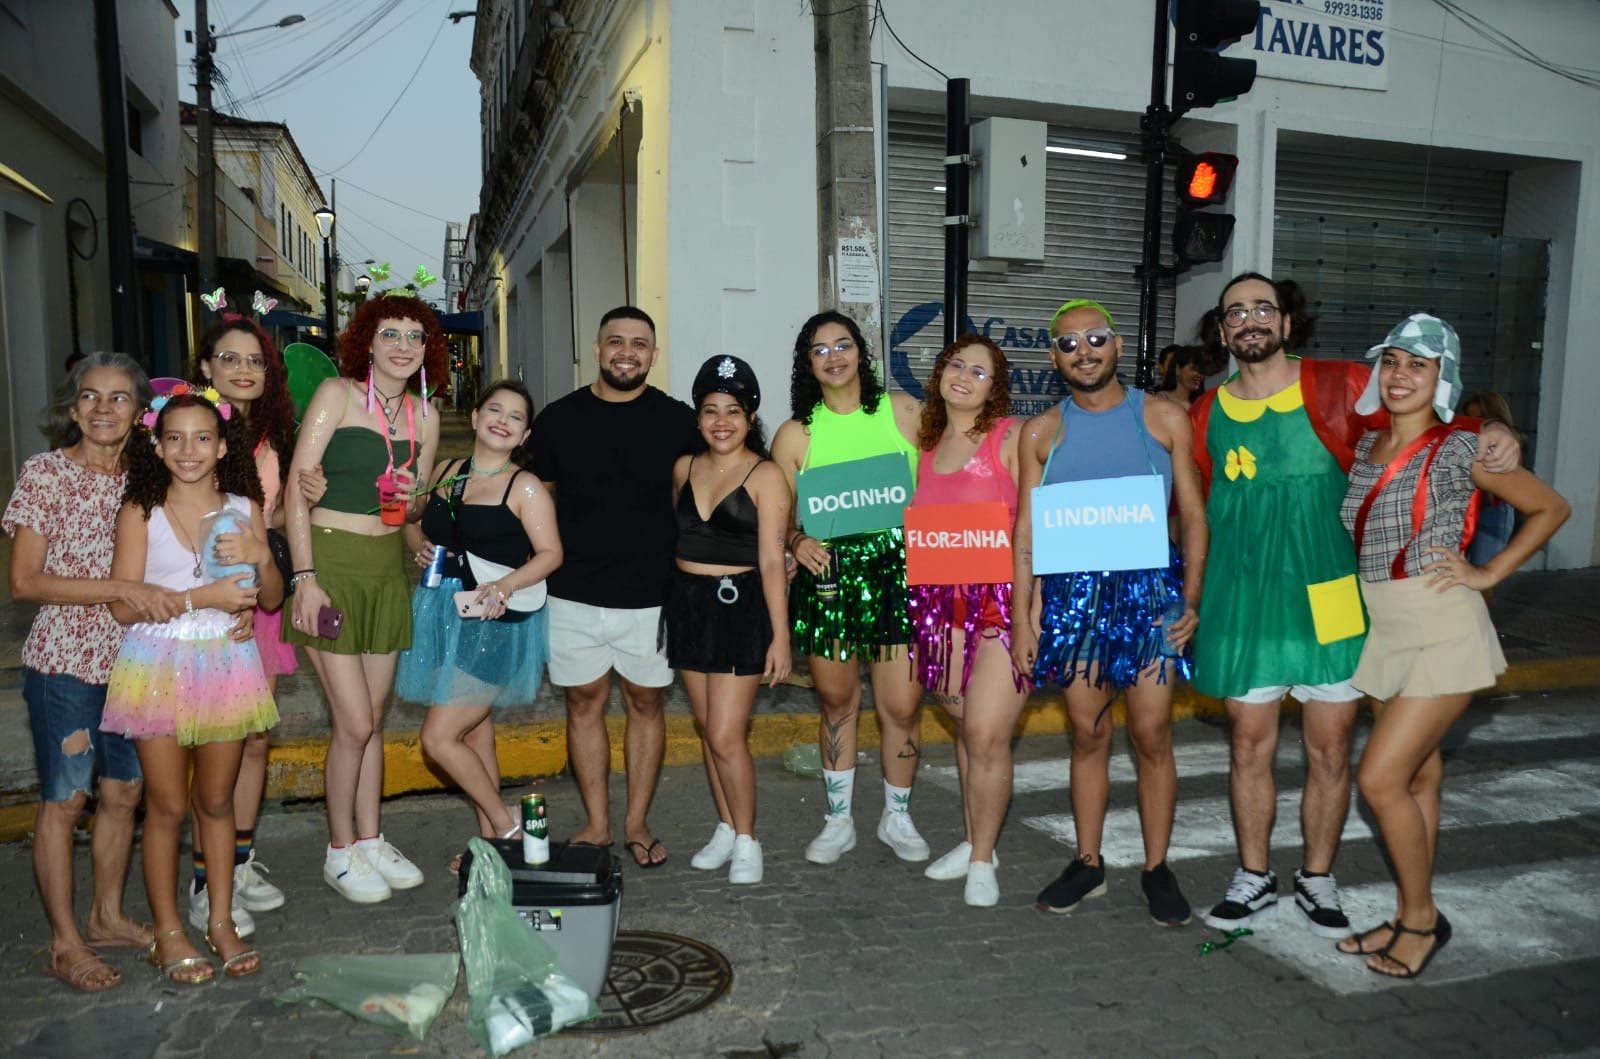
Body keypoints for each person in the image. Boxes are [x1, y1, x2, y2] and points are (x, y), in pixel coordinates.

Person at [1187, 272, 1521, 936]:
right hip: (1242, 596)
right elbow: (1193, 508)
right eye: (1235, 312)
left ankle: (1317, 875)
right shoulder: (1205, 412)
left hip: (1332, 594)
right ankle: (1254, 875)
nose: (1250, 319)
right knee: (1248, 745)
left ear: (1286, 323)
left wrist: (1487, 429)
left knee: (1331, 747)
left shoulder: (1338, 383)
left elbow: (1419, 419)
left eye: (1263, 308)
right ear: (1223, 332)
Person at [1335, 314, 1568, 978]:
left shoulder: (1463, 446)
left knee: (1379, 778)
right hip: (1386, 628)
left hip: (1441, 626)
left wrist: (1489, 573)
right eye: (1392, 361)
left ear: (1443, 377)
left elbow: (1551, 508)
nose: (1400, 375)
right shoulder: (1367, 445)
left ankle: (1421, 920)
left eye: (1419, 364)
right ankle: (1408, 910)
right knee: (1418, 776)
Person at [1010, 300, 1207, 925]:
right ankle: (1088, 862)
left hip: (1149, 596)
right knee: (1088, 733)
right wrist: (1024, 615)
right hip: (1075, 603)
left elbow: (1194, 514)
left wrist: (1191, 598)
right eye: (1068, 344)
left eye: (1095, 339)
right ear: (1054, 357)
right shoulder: (1041, 433)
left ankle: (1157, 867)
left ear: (1117, 345)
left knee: (1152, 734)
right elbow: (1026, 531)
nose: (1084, 352)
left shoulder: (1163, 416)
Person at [101, 391, 281, 982]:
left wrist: (262, 556)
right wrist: (204, 597)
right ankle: (169, 931)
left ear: (223, 446)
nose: (188, 450)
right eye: (174, 438)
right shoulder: (141, 511)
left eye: (203, 438)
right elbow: (123, 607)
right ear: (156, 446)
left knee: (217, 801)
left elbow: (271, 598)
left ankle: (221, 921)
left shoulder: (243, 507)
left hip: (226, 663)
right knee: (168, 806)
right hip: (156, 665)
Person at [4, 353, 163, 992]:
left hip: (135, 662)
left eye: (119, 397)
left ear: (139, 411)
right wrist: (119, 587)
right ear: (73, 408)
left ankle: (106, 916)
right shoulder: (44, 474)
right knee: (67, 799)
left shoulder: (149, 479)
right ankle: (65, 942)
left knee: (125, 794)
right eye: (91, 396)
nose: (103, 408)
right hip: (64, 663)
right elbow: (24, 581)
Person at [283, 294, 443, 902]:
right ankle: (340, 850)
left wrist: (411, 498)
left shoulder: (426, 416)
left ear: (427, 348)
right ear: (367, 342)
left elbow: (414, 507)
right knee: (352, 722)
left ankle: (372, 840)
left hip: (384, 573)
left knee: (372, 722)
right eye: (389, 334)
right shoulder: (338, 396)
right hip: (329, 568)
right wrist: (304, 578)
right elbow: (297, 492)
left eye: (414, 336)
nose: (402, 346)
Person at [529, 306, 697, 868]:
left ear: (653, 355)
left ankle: (636, 823)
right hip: (571, 592)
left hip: (651, 594)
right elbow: (535, 499)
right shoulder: (557, 420)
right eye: (616, 342)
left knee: (646, 703)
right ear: (597, 350)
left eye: (639, 344)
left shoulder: (679, 422)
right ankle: (597, 825)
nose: (627, 352)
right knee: (583, 703)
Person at [771, 310, 929, 866]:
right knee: (837, 702)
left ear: (861, 352)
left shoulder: (904, 412)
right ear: (807, 363)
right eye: (820, 349)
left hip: (899, 580)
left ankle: (897, 816)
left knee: (902, 705)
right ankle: (838, 820)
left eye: (842, 345)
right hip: (830, 583)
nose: (833, 356)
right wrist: (795, 542)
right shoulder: (796, 434)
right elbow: (777, 517)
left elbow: (946, 484)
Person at [398, 381, 562, 864]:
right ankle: (493, 847)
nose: (502, 421)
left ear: (524, 434)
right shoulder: (447, 472)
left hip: (494, 622)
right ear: (474, 417)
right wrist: (419, 547)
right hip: (445, 613)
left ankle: (508, 823)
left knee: (438, 738)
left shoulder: (524, 486)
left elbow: (551, 554)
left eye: (515, 416)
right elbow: (413, 522)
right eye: (494, 410)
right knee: (474, 735)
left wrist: (504, 586)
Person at [184, 315, 299, 935]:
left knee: (255, 738)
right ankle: (207, 880)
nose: (243, 370)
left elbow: (271, 519)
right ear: (206, 366)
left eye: (255, 360)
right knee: (213, 744)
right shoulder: (185, 430)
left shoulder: (273, 436)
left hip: (262, 599)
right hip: (206, 607)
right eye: (229, 359)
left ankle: (241, 861)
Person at [905, 335, 1028, 907]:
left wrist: (1034, 605)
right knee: (963, 724)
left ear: (994, 387)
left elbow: (1034, 520)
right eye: (957, 364)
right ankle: (978, 838)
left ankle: (982, 859)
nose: (964, 376)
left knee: (985, 733)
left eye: (980, 371)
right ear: (939, 372)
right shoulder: (925, 444)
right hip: (940, 606)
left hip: (1001, 604)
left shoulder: (1011, 437)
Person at [669, 355, 792, 885]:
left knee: (725, 734)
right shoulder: (683, 467)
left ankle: (747, 839)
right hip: (688, 604)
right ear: (698, 417)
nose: (722, 421)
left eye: (734, 411)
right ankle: (725, 826)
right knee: (706, 729)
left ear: (751, 417)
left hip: (740, 606)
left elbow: (772, 560)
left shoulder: (766, 474)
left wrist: (780, 636)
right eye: (711, 410)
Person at [1459, 389, 1519, 593]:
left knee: (1483, 578)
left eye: (1481, 418)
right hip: (1465, 512)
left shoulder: (1505, 444)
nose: (1475, 424)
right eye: (1470, 417)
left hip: (1492, 512)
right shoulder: (1463, 441)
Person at [1155, 344, 1206, 412]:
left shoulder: (1204, 403)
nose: (1199, 374)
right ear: (1177, 369)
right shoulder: (1161, 400)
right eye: (1193, 369)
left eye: (1202, 370)